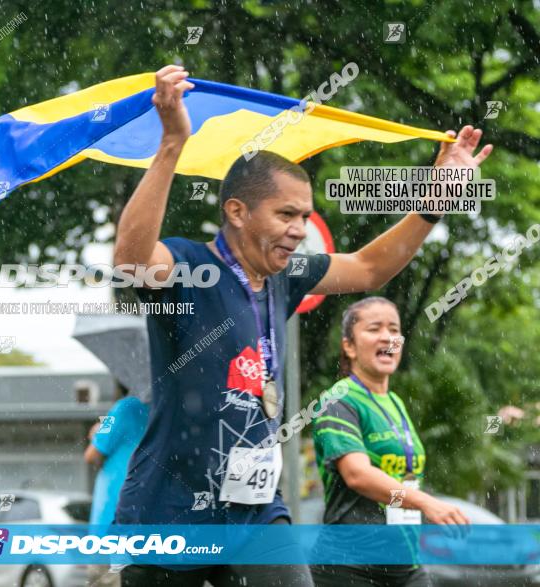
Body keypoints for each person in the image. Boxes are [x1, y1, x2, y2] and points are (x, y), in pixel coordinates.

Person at [111, 64, 492, 586]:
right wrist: (172, 143)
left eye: (304, 216)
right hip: (171, 509)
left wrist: (433, 204)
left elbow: (371, 268)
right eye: (286, 215)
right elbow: (130, 260)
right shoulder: (188, 267)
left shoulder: (286, 277)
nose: (299, 230)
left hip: (257, 509)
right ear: (238, 211)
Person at [311, 297, 469, 586]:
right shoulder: (338, 399)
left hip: (405, 562)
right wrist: (424, 502)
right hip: (350, 565)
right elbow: (357, 475)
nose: (387, 337)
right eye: (374, 328)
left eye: (394, 329)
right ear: (349, 346)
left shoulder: (395, 402)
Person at [84, 382, 149, 587]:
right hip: (143, 522)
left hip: (110, 523)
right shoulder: (165, 410)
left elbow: (92, 455)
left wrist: (96, 433)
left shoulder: (125, 407)